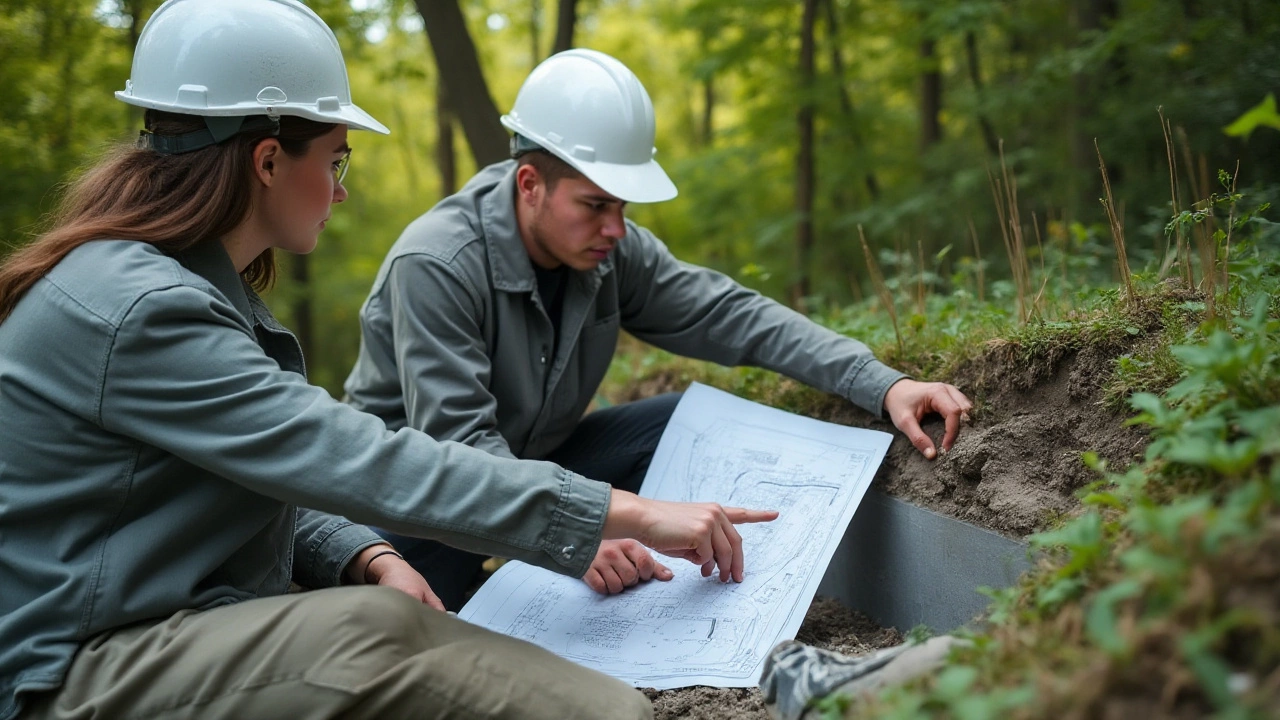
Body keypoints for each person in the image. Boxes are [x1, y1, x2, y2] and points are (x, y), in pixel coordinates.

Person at [0, 4, 776, 720]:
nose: (339, 194)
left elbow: (250, 472)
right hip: (72, 668)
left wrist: (366, 554)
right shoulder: (145, 310)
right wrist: (630, 513)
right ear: (268, 161)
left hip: (152, 623)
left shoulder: (171, 283)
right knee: (438, 655)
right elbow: (359, 457)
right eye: (337, 161)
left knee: (384, 614)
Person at [343, 48, 974, 611]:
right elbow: (459, 450)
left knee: (679, 420)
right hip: (417, 501)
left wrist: (883, 384)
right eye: (595, 205)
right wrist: (574, 529)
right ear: (530, 184)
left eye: (623, 206)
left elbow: (730, 314)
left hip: (531, 467)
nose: (616, 228)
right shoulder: (436, 264)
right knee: (437, 617)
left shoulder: (609, 251)